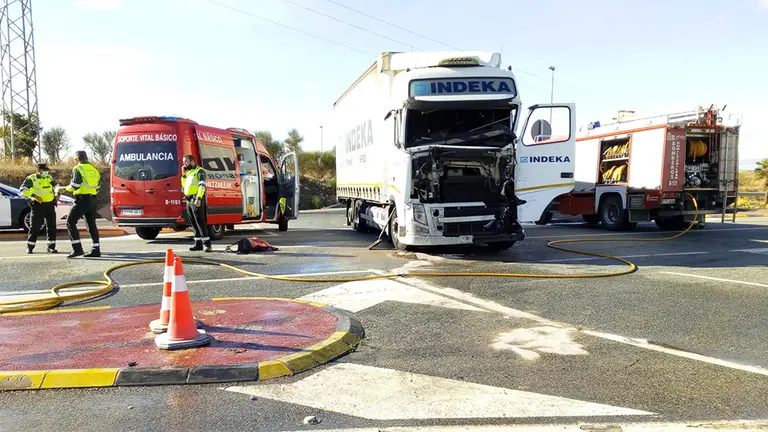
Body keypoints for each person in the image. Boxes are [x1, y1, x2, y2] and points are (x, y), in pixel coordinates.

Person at [57, 150, 101, 258]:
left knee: (70, 222)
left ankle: (77, 249)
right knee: (91, 224)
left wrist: (63, 189)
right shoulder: (94, 170)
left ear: (76, 159)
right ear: (86, 158)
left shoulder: (78, 168)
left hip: (83, 199)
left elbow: (75, 185)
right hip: (93, 199)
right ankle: (96, 249)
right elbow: (98, 187)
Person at [19, 162, 58, 254]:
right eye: (44, 170)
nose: (46, 172)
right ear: (39, 170)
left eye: (47, 171)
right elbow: (22, 190)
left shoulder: (49, 178)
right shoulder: (31, 178)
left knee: (51, 227)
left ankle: (51, 247)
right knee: (35, 227)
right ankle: (30, 247)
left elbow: (56, 187)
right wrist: (34, 196)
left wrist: (57, 193)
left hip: (50, 205)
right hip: (38, 205)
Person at [181, 154, 211, 252]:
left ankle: (207, 244)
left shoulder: (199, 171)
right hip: (189, 199)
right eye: (183, 162)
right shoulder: (189, 172)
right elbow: (184, 185)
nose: (184, 164)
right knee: (193, 222)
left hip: (196, 198)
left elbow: (202, 186)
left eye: (186, 162)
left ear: (192, 161)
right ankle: (198, 243)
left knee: (200, 221)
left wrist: (198, 198)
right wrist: (184, 174)